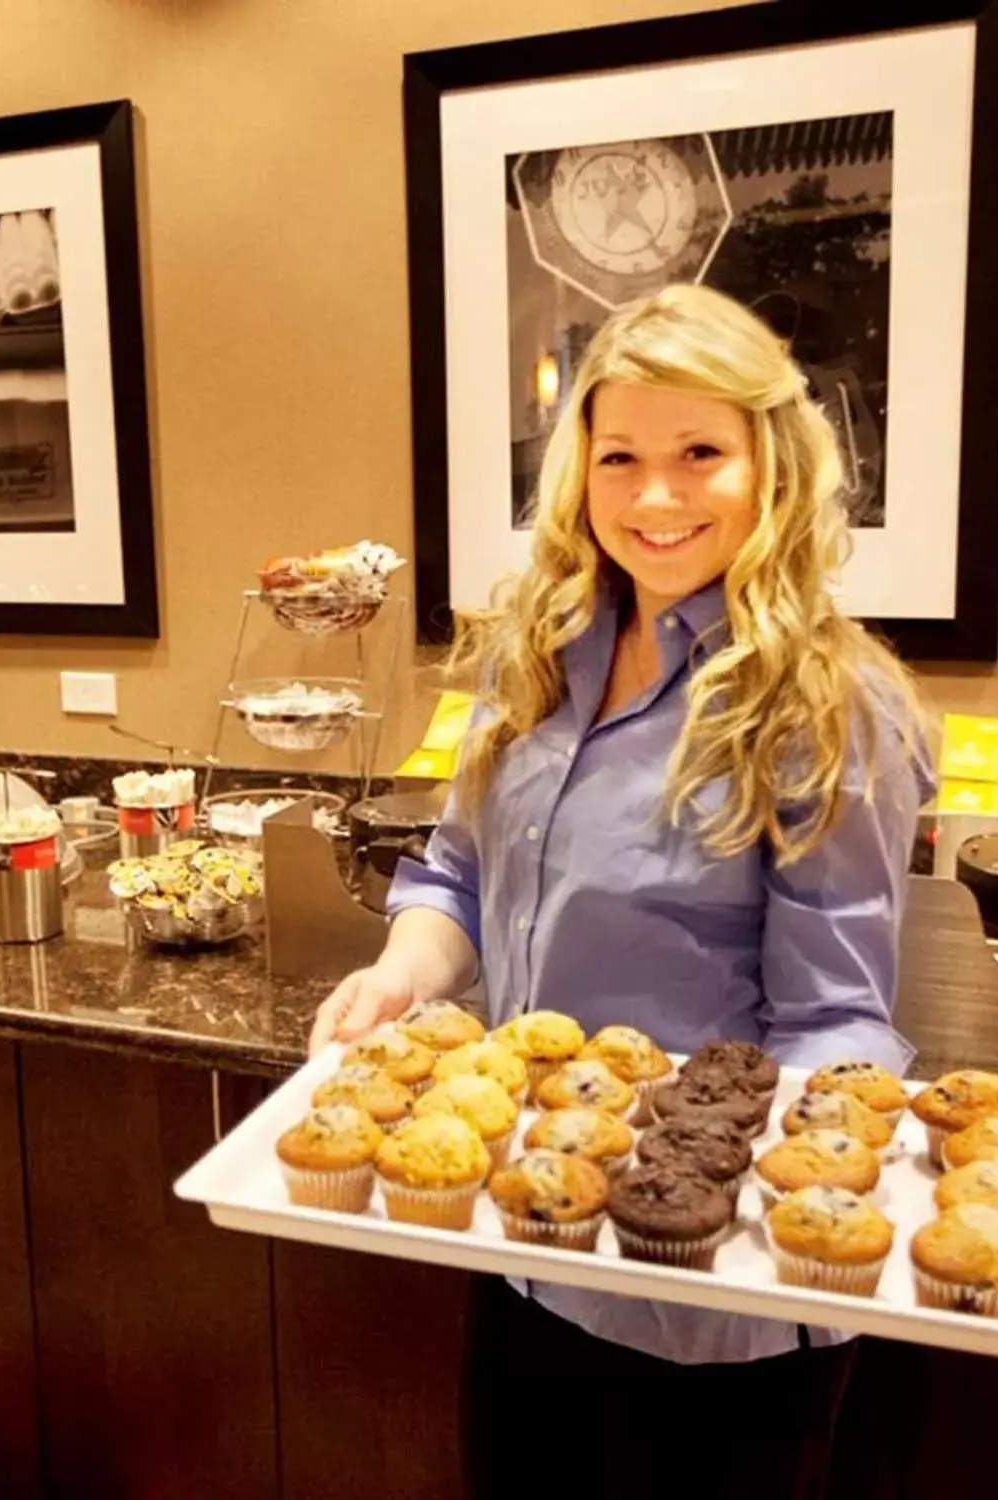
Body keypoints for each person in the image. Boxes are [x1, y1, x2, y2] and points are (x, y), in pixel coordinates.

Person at [308, 282, 933, 1498]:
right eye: (620, 457)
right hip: (532, 1237)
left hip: (707, 1305)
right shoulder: (525, 654)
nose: (655, 496)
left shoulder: (828, 706)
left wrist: (803, 1214)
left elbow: (833, 1023)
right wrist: (397, 979)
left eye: (700, 452)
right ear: (577, 473)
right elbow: (457, 875)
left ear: (773, 467)